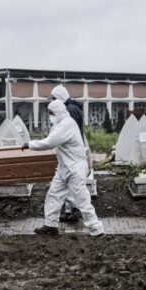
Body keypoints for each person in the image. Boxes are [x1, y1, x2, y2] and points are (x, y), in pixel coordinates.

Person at [22, 100, 104, 237]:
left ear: (58, 111)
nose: (50, 116)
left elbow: (50, 143)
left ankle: (97, 229)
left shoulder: (67, 124)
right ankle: (50, 225)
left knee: (82, 199)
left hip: (75, 167)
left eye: (51, 113)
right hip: (65, 167)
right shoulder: (59, 124)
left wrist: (30, 144)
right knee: (53, 195)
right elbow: (51, 139)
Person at [49, 85, 88, 222]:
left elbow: (66, 131)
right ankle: (69, 209)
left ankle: (75, 209)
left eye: (54, 98)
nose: (52, 102)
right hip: (70, 151)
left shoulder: (70, 109)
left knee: (73, 182)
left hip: (71, 152)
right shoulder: (71, 108)